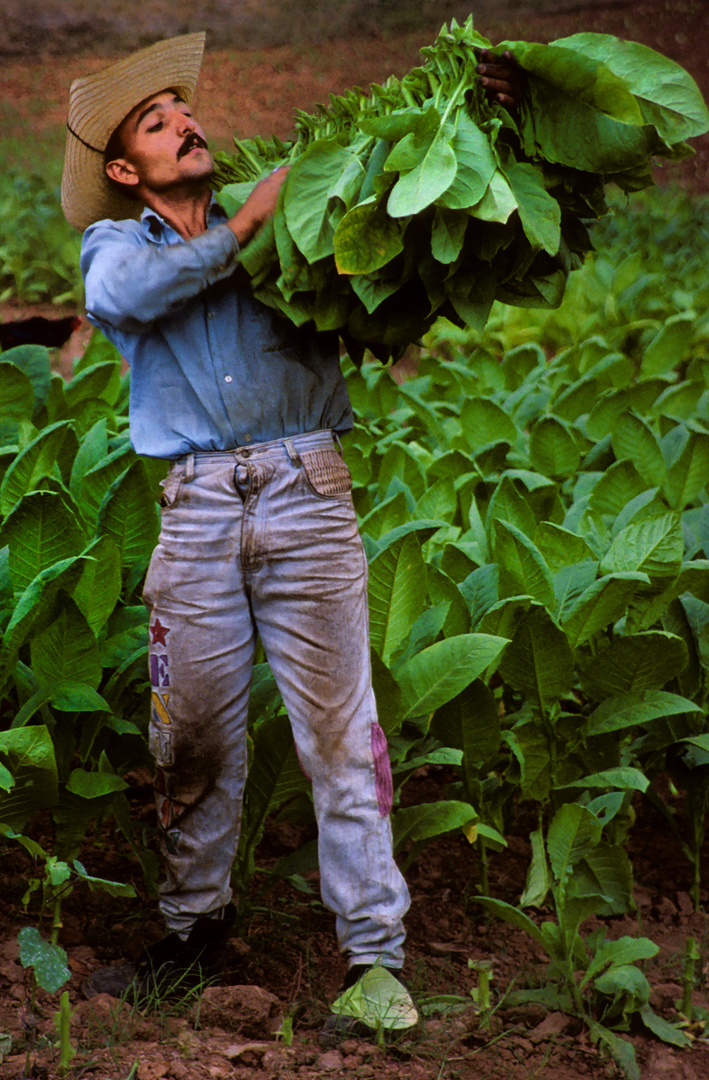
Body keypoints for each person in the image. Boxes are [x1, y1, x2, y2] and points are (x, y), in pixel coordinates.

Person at [61, 32, 523, 1044]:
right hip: (195, 506)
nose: (185, 121)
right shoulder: (121, 249)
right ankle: (193, 937)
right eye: (156, 120)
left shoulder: (300, 225)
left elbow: (414, 222)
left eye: (185, 109)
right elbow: (120, 302)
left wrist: (490, 111)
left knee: (342, 737)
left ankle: (375, 958)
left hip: (307, 492)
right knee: (190, 737)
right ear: (125, 169)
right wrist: (241, 229)